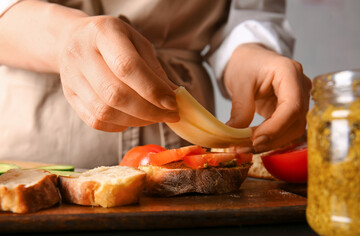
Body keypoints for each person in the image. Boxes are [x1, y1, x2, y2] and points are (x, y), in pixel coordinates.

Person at [0, 0, 311, 168]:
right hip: (36, 131)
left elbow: (248, 11)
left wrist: (248, 49)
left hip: (185, 143)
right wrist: (61, 37)